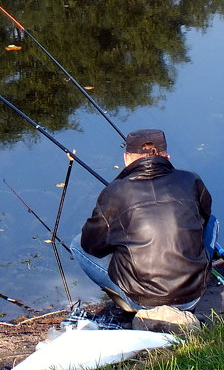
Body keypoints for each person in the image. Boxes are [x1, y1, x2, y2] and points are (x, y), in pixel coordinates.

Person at [71, 128, 212, 313]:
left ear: (127, 157)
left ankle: (129, 303)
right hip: (192, 294)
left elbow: (91, 245)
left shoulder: (115, 191)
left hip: (144, 299)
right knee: (212, 222)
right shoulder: (191, 179)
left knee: (77, 244)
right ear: (166, 156)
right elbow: (205, 218)